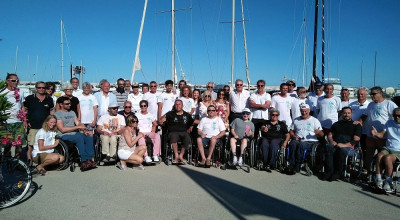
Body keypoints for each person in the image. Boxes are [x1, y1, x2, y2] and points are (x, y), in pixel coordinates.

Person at [358, 86, 398, 170]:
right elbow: (365, 115)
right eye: (371, 94)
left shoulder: (389, 104)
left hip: (383, 135)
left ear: (380, 94)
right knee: (368, 155)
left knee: (381, 157)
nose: (372, 96)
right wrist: (359, 121)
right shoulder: (370, 104)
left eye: (374, 94)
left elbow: (397, 115)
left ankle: (380, 174)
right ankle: (367, 172)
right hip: (371, 135)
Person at [54, 96, 95, 170]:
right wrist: (77, 127)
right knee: (79, 137)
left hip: (74, 134)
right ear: (61, 105)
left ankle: (89, 159)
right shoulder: (57, 114)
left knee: (89, 136)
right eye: (67, 104)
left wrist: (85, 130)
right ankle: (83, 161)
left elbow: (78, 123)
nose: (69, 105)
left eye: (70, 103)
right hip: (63, 135)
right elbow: (62, 129)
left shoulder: (72, 112)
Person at [323, 107, 362, 181]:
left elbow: (356, 139)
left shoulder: (356, 125)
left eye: (348, 113)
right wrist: (331, 141)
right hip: (336, 143)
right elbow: (330, 135)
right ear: (341, 114)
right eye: (344, 113)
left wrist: (344, 145)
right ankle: (329, 171)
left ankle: (338, 172)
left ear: (351, 114)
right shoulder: (336, 124)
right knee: (328, 147)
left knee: (342, 150)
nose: (346, 115)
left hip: (348, 146)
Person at [23, 81, 55, 163]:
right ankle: (29, 160)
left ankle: (41, 160)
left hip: (45, 127)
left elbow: (51, 111)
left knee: (44, 144)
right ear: (36, 88)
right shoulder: (29, 98)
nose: (41, 89)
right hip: (33, 125)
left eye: (43, 88)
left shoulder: (49, 99)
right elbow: (24, 110)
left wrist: (53, 122)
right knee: (31, 144)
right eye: (39, 87)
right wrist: (25, 120)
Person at [287, 104, 324, 174]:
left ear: (309, 111)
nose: (304, 113)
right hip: (298, 139)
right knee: (293, 143)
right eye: (302, 111)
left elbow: (322, 134)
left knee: (302, 144)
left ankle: (298, 163)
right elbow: (291, 131)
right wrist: (294, 136)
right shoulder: (296, 120)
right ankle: (291, 163)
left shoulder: (315, 120)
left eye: (305, 111)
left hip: (311, 141)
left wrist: (318, 132)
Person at [371, 108, 400, 192]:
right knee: (379, 155)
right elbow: (382, 134)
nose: (397, 117)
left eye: (399, 115)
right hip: (388, 147)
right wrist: (376, 134)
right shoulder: (389, 122)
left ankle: (388, 182)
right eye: (395, 115)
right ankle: (378, 179)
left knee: (387, 158)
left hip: (398, 150)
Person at [160, 99, 194, 164]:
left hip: (184, 132)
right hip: (172, 132)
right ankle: (176, 156)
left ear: (182, 105)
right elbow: (161, 120)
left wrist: (192, 126)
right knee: (173, 136)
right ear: (174, 106)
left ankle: (181, 155)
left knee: (187, 137)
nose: (178, 106)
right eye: (176, 104)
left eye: (179, 104)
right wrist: (161, 121)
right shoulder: (170, 114)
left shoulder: (187, 115)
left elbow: (192, 122)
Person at [0, 73, 25, 158]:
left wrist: (24, 120)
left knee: (19, 144)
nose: (16, 82)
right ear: (7, 81)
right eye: (13, 80)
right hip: (6, 122)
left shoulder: (20, 92)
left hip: (18, 122)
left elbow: (22, 106)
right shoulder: (2, 92)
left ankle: (18, 162)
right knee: (7, 145)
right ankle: (8, 164)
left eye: (17, 81)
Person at [349, 88, 370, 171]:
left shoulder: (369, 105)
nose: (360, 96)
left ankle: (365, 166)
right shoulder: (352, 104)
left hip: (364, 131)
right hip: (353, 130)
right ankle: (350, 164)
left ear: (366, 95)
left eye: (362, 94)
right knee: (352, 147)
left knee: (365, 149)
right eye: (359, 94)